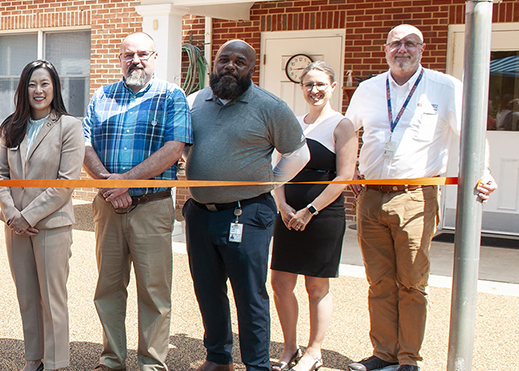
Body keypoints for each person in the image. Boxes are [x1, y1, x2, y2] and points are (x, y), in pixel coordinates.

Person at [344, 24, 497, 371]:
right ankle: (383, 354)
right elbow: (346, 130)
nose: (403, 49)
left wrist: (483, 171)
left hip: (416, 197)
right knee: (379, 282)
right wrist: (349, 168)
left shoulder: (445, 88)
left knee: (412, 282)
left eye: (410, 43)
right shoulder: (368, 89)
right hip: (369, 197)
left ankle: (408, 359)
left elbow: (473, 133)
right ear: (385, 49)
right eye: (396, 43)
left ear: (422, 49)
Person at [184, 40, 308, 371]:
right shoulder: (194, 102)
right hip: (199, 215)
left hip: (247, 214)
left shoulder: (271, 107)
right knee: (208, 291)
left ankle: (256, 364)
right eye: (224, 59)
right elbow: (181, 146)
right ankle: (218, 357)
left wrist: (267, 182)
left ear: (251, 69)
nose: (230, 66)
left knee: (250, 296)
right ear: (213, 63)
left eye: (240, 62)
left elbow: (299, 153)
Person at [82, 32, 193, 371]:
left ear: (155, 57)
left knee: (154, 293)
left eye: (143, 54)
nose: (136, 60)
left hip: (152, 207)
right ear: (120, 59)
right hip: (107, 206)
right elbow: (84, 144)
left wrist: (125, 182)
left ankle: (151, 363)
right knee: (108, 288)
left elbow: (175, 149)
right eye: (128, 55)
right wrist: (108, 184)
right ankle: (112, 359)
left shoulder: (172, 96)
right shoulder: (101, 96)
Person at [0, 60, 84, 371]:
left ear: (54, 88)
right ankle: (34, 359)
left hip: (51, 226)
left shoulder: (69, 126)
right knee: (28, 297)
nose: (39, 90)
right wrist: (11, 215)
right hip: (15, 227)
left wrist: (28, 216)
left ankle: (57, 363)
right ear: (23, 88)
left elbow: (66, 183)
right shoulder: (11, 126)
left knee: (52, 298)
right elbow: (1, 175)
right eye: (32, 84)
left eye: (45, 83)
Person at [268, 61, 357, 371]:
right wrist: (282, 205)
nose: (314, 90)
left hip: (322, 216)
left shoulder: (341, 125)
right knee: (280, 283)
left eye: (321, 84)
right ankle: (290, 347)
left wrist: (310, 210)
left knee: (316, 287)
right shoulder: (291, 122)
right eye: (309, 84)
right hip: (288, 214)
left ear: (332, 87)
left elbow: (344, 177)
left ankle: (314, 351)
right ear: (301, 88)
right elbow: (276, 170)